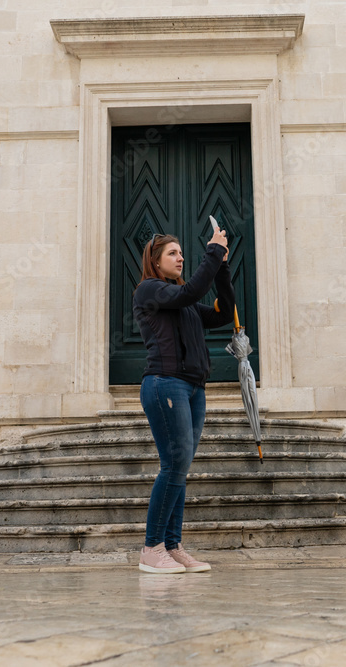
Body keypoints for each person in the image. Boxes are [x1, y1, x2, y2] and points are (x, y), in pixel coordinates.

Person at [132, 224, 235, 574]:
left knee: (180, 470)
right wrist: (213, 252)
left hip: (193, 388)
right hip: (165, 385)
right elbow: (190, 292)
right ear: (156, 262)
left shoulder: (185, 303)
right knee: (173, 466)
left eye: (181, 253)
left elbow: (222, 313)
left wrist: (221, 267)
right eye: (172, 253)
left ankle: (172, 547)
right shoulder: (150, 291)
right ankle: (151, 548)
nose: (180, 258)